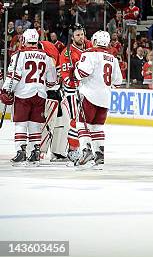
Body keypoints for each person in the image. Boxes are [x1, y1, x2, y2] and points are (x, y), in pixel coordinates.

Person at [1, 29, 57, 165]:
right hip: (40, 95)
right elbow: (51, 81)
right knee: (35, 124)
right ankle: (35, 152)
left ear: (24, 40)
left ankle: (21, 151)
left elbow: (14, 76)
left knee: (21, 124)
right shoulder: (47, 57)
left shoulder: (19, 55)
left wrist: (6, 90)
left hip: (23, 94)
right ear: (37, 41)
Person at [72, 31, 123, 168]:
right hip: (105, 98)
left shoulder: (89, 54)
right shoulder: (113, 58)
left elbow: (82, 73)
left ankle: (86, 151)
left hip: (89, 95)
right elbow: (118, 82)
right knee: (97, 127)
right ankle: (99, 155)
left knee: (82, 124)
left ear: (95, 40)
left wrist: (75, 70)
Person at [55, 24, 93, 162]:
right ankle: (72, 149)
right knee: (75, 120)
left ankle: (86, 147)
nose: (81, 37)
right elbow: (64, 75)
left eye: (82, 34)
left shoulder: (89, 47)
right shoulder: (67, 52)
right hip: (73, 91)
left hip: (88, 88)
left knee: (87, 120)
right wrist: (73, 83)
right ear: (72, 37)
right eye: (77, 35)